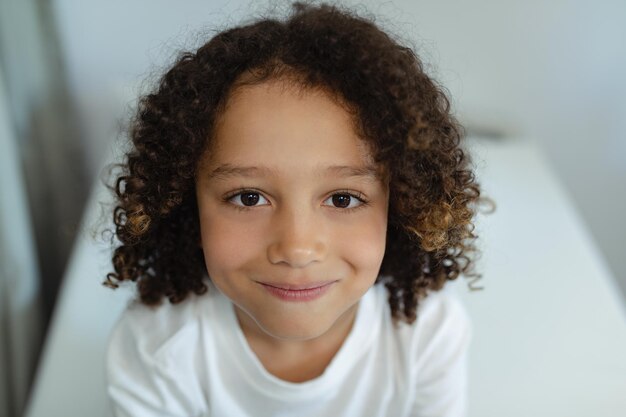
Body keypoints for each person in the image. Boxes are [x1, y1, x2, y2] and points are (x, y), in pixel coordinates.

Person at [104, 2, 488, 416]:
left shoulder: (427, 334)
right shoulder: (153, 348)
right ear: (185, 206)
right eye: (248, 197)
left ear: (400, 208)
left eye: (343, 199)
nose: (297, 247)